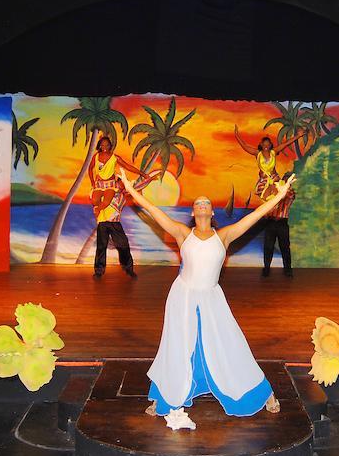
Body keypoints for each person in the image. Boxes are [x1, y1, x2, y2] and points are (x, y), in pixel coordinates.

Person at [117, 168, 295, 428]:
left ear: (212, 213)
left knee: (231, 342)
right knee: (175, 347)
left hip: (212, 297)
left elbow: (256, 216)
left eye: (207, 203)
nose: (202, 205)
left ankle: (261, 391)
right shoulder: (182, 233)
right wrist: (131, 191)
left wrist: (278, 197)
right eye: (197, 203)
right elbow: (154, 211)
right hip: (182, 296)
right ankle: (163, 398)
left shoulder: (224, 236)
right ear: (193, 212)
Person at [88, 135, 157, 278]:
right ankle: (99, 272)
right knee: (101, 247)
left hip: (115, 223)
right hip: (102, 222)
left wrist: (146, 177)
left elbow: (137, 183)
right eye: (118, 180)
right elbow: (94, 193)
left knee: (123, 246)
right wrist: (94, 184)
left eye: (120, 181)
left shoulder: (121, 193)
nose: (119, 183)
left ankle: (128, 269)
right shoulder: (102, 189)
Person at [234, 126, 302, 202]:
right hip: (264, 181)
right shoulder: (257, 153)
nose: (266, 146)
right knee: (267, 200)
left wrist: (298, 136)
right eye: (264, 145)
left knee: (279, 197)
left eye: (268, 145)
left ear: (270, 145)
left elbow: (286, 143)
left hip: (275, 179)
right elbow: (244, 146)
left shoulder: (274, 152)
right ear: (261, 145)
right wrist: (237, 135)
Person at [262, 172, 296, 277]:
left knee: (285, 247)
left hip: (282, 223)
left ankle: (288, 269)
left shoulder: (290, 192)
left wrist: (282, 188)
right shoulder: (274, 191)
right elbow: (263, 194)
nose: (286, 181)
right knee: (268, 246)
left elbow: (288, 194)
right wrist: (272, 185)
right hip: (270, 222)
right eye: (285, 179)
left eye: (287, 180)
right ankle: (266, 268)